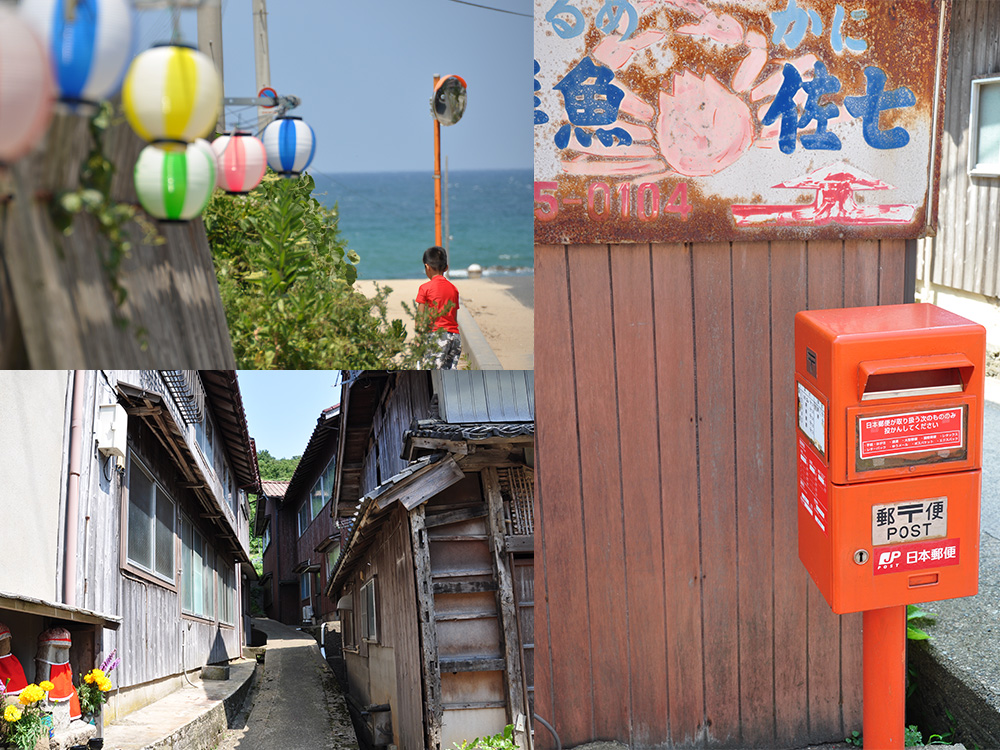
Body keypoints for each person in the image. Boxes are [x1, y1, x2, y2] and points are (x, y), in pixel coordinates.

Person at [416, 246, 461, 369]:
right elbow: (454, 318)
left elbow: (420, 317)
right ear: (446, 268)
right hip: (454, 338)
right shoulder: (454, 289)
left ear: (427, 267)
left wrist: (419, 338)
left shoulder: (425, 288)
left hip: (437, 336)